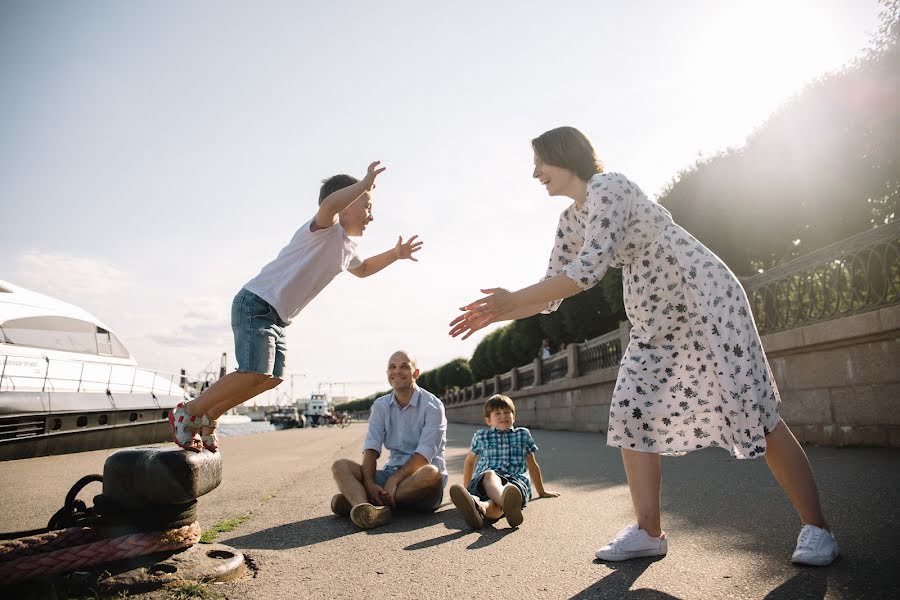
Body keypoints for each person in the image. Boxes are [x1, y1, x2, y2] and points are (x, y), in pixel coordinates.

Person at [448, 126, 838, 566]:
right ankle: (649, 533)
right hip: (654, 321)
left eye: (541, 161)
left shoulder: (608, 186)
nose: (535, 172)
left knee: (756, 412)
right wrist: (496, 312)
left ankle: (817, 530)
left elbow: (590, 269)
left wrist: (510, 301)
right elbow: (552, 292)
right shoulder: (568, 221)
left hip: (703, 299)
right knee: (631, 411)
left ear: (565, 154)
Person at [169, 161, 423, 452]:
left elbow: (364, 269)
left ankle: (208, 417)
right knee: (252, 371)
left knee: (270, 379)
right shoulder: (324, 229)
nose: (371, 216)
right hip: (256, 303)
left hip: (277, 317)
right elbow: (329, 205)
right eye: (367, 207)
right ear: (348, 203)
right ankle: (187, 412)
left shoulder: (346, 248)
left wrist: (396, 253)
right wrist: (364, 184)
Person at [330, 350, 447, 530]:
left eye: (404, 366)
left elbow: (424, 456)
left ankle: (360, 500)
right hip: (389, 474)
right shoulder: (380, 405)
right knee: (340, 466)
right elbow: (371, 448)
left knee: (430, 472)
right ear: (387, 374)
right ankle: (365, 509)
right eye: (392, 367)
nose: (397, 371)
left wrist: (394, 480)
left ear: (416, 373)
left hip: (419, 480)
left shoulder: (433, 405)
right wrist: (369, 482)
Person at [449, 394, 559, 529]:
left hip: (515, 482)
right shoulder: (481, 436)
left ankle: (480, 508)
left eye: (507, 412)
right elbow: (470, 462)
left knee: (499, 501)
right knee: (490, 475)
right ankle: (504, 503)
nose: (503, 416)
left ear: (514, 417)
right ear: (488, 420)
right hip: (485, 481)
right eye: (497, 413)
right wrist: (466, 490)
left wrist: (541, 491)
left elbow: (532, 464)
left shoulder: (523, 434)